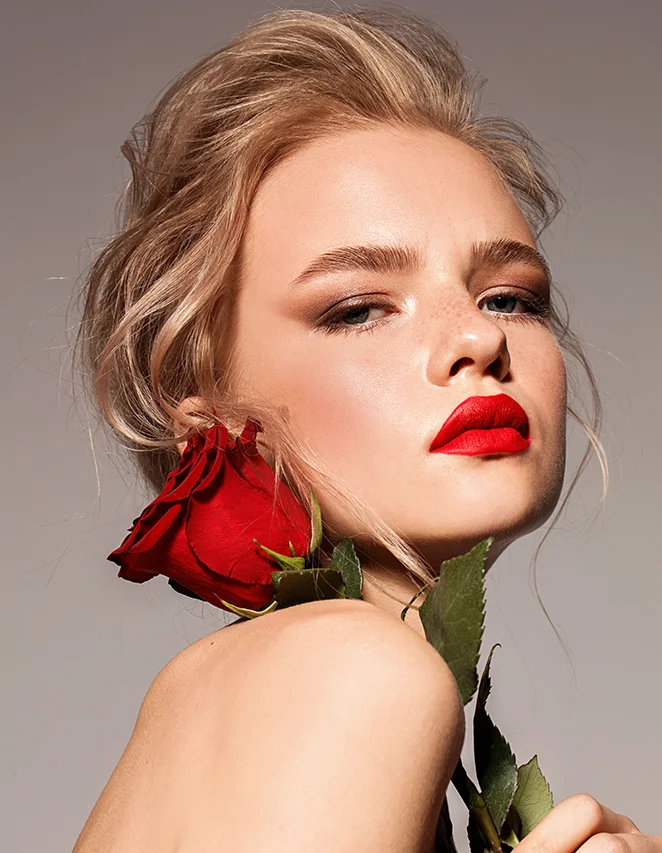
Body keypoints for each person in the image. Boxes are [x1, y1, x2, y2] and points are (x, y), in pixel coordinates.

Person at [70, 5, 657, 852]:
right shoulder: (352, 673)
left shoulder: (249, 688)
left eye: (510, 297)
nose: (478, 337)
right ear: (217, 420)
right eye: (357, 310)